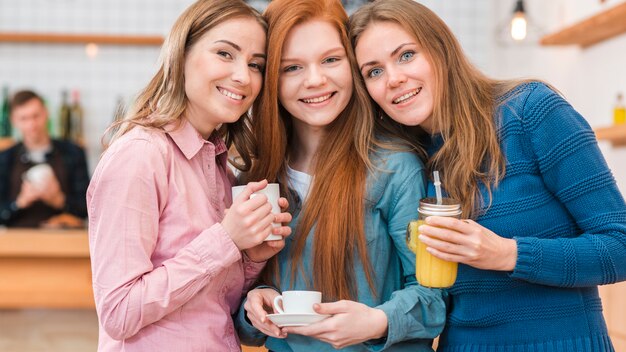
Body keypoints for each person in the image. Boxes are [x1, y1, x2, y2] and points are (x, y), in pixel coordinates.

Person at [350, 1, 626, 351]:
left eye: (406, 55)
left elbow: (620, 246)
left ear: (441, 49)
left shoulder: (530, 112)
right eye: (374, 71)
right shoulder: (407, 161)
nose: (394, 79)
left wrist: (507, 254)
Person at [236, 0, 446, 351]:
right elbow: (243, 322)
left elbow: (436, 299)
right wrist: (255, 303)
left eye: (331, 60)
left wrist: (377, 321)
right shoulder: (257, 175)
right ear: (271, 79)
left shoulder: (394, 167)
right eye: (292, 68)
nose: (315, 80)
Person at [86, 0, 293, 351]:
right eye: (225, 54)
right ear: (182, 55)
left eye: (255, 64)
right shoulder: (141, 156)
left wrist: (250, 256)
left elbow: (208, 303)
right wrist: (226, 239)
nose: (243, 76)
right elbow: (118, 313)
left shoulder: (215, 161)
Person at [0, 90, 89, 227]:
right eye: (24, 118)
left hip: (64, 242)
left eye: (36, 116)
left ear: (46, 113)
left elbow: (88, 209)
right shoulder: (5, 158)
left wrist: (59, 200)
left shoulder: (73, 153)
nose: (32, 124)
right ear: (14, 121)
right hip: (16, 244)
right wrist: (19, 203)